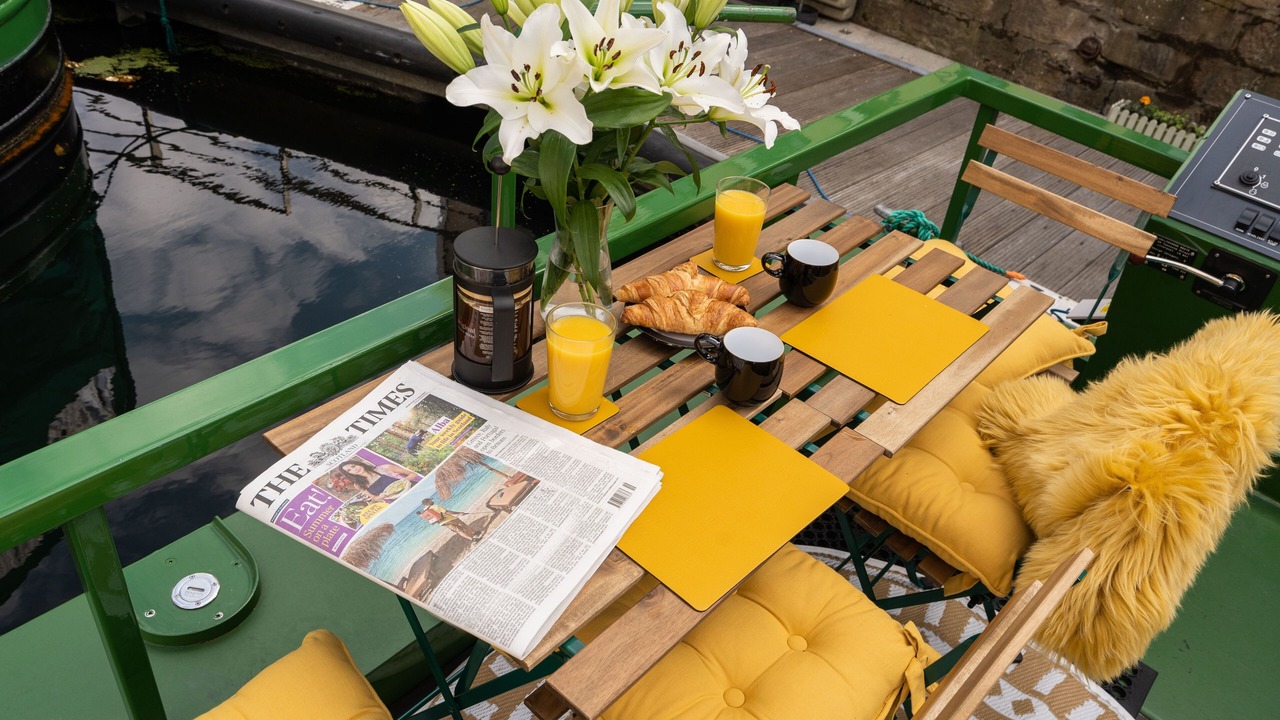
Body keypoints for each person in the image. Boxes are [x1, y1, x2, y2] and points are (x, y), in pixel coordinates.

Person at [339, 458, 414, 499]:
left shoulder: (384, 468)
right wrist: (381, 496)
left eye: (353, 466)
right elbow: (374, 497)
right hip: (397, 500)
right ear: (349, 474)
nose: (354, 469)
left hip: (412, 490)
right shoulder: (358, 485)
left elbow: (413, 474)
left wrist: (404, 481)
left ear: (359, 464)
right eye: (349, 470)